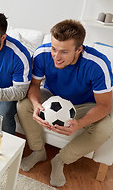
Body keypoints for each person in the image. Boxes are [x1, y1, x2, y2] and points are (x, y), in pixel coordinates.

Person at [17, 19, 113, 187]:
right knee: (24, 105)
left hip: (84, 105)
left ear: (79, 49)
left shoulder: (98, 64)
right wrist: (36, 103)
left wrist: (80, 123)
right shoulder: (42, 54)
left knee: (105, 127)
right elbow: (34, 85)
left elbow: (105, 106)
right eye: (54, 49)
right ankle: (38, 151)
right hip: (53, 97)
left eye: (64, 52)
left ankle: (60, 161)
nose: (56, 56)